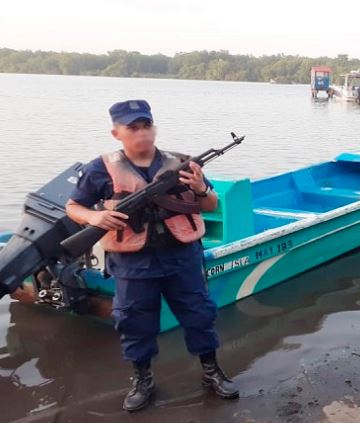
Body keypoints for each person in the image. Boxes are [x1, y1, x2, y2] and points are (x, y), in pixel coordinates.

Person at [65, 99, 239, 412]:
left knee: (199, 314)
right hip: (133, 262)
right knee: (134, 321)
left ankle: (211, 370)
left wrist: (200, 188)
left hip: (182, 255)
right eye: (133, 127)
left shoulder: (182, 163)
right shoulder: (100, 168)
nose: (142, 133)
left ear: (154, 128)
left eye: (147, 126)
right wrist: (93, 218)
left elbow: (211, 205)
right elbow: (73, 206)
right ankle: (142, 379)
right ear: (116, 132)